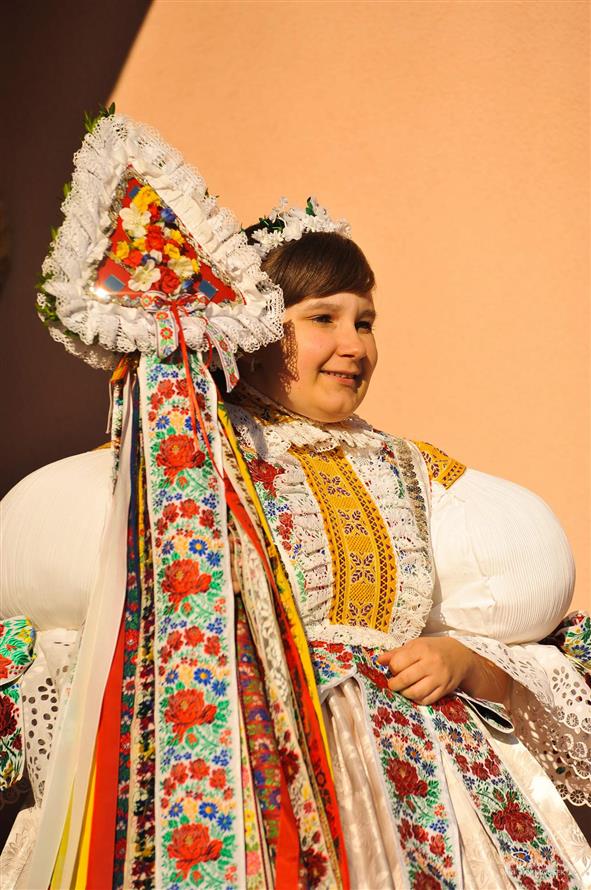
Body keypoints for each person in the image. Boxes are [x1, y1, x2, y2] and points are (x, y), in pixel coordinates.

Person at [0, 113, 589, 889]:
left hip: (413, 797)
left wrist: (465, 661)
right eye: (321, 319)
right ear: (252, 333)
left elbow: (513, 626)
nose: (354, 344)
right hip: (237, 781)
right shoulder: (184, 460)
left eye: (364, 322)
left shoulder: (416, 471)